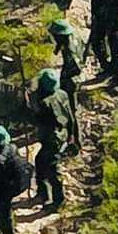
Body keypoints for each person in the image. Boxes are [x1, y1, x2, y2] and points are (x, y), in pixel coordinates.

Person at [32, 69, 73, 211]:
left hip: (52, 139)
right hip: (62, 134)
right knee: (41, 162)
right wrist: (72, 136)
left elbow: (37, 120)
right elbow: (70, 116)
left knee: (52, 169)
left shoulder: (44, 103)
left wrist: (30, 106)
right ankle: (44, 194)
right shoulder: (62, 94)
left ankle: (57, 200)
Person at [48, 19, 84, 150]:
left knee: (70, 112)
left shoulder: (69, 50)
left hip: (70, 82)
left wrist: (63, 76)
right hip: (70, 80)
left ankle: (75, 140)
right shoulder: (70, 39)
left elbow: (77, 68)